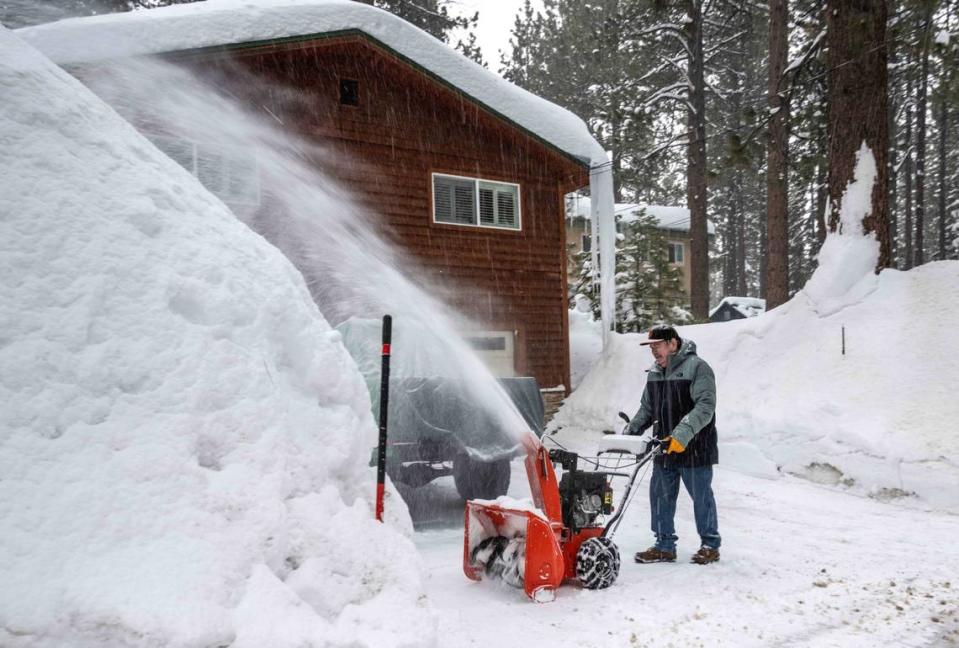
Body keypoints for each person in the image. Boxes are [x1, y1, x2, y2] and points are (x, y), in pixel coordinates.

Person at [626, 324, 721, 565]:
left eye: (658, 346)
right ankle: (664, 545)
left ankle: (710, 544)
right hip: (663, 446)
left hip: (694, 447)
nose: (654, 352)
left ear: (673, 343)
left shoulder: (698, 368)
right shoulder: (655, 372)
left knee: (701, 497)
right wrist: (631, 430)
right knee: (660, 497)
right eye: (651, 348)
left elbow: (705, 406)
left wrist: (682, 434)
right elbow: (647, 408)